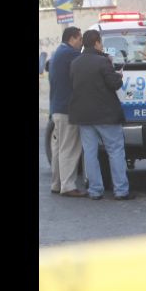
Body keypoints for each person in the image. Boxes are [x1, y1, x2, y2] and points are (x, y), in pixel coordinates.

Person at [68, 30, 133, 200]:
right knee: (115, 151)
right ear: (96, 43)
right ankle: (121, 190)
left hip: (84, 116)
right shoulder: (103, 62)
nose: (102, 45)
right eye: (101, 42)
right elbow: (114, 84)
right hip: (106, 116)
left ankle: (95, 190)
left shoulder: (75, 63)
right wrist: (118, 76)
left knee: (90, 153)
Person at [48, 26, 87, 197]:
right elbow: (88, 61)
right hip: (67, 110)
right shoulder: (70, 54)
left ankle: (57, 183)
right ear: (72, 39)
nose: (81, 44)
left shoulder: (58, 52)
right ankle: (68, 186)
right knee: (69, 149)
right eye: (80, 40)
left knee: (58, 148)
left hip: (57, 108)